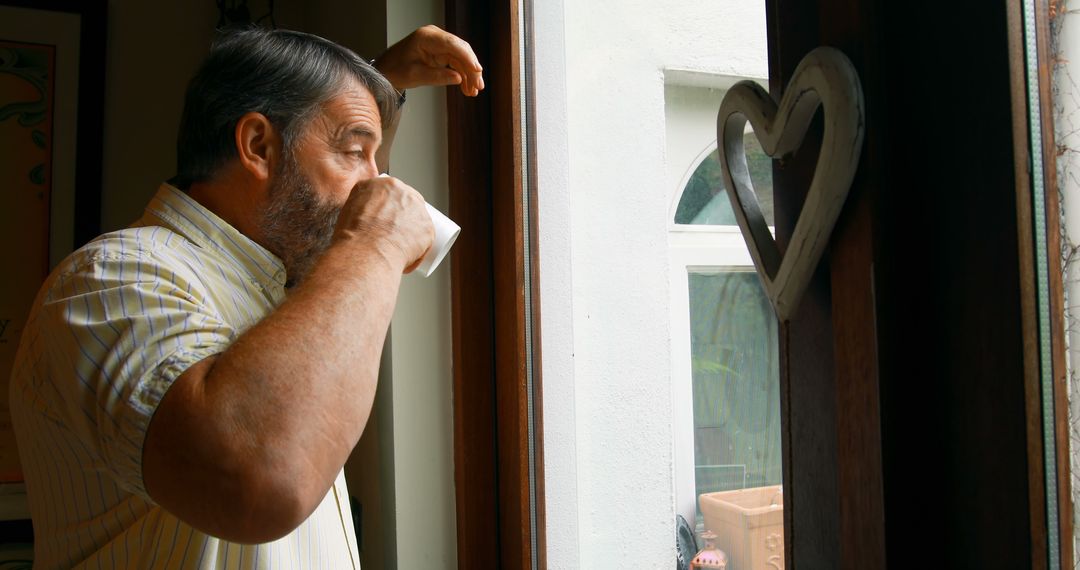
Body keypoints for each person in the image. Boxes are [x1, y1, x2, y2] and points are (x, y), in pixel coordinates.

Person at [8, 23, 483, 569]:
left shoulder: (275, 288)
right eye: (356, 152)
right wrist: (372, 243)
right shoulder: (112, 280)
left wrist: (371, 85)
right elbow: (260, 481)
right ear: (258, 145)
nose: (377, 186)